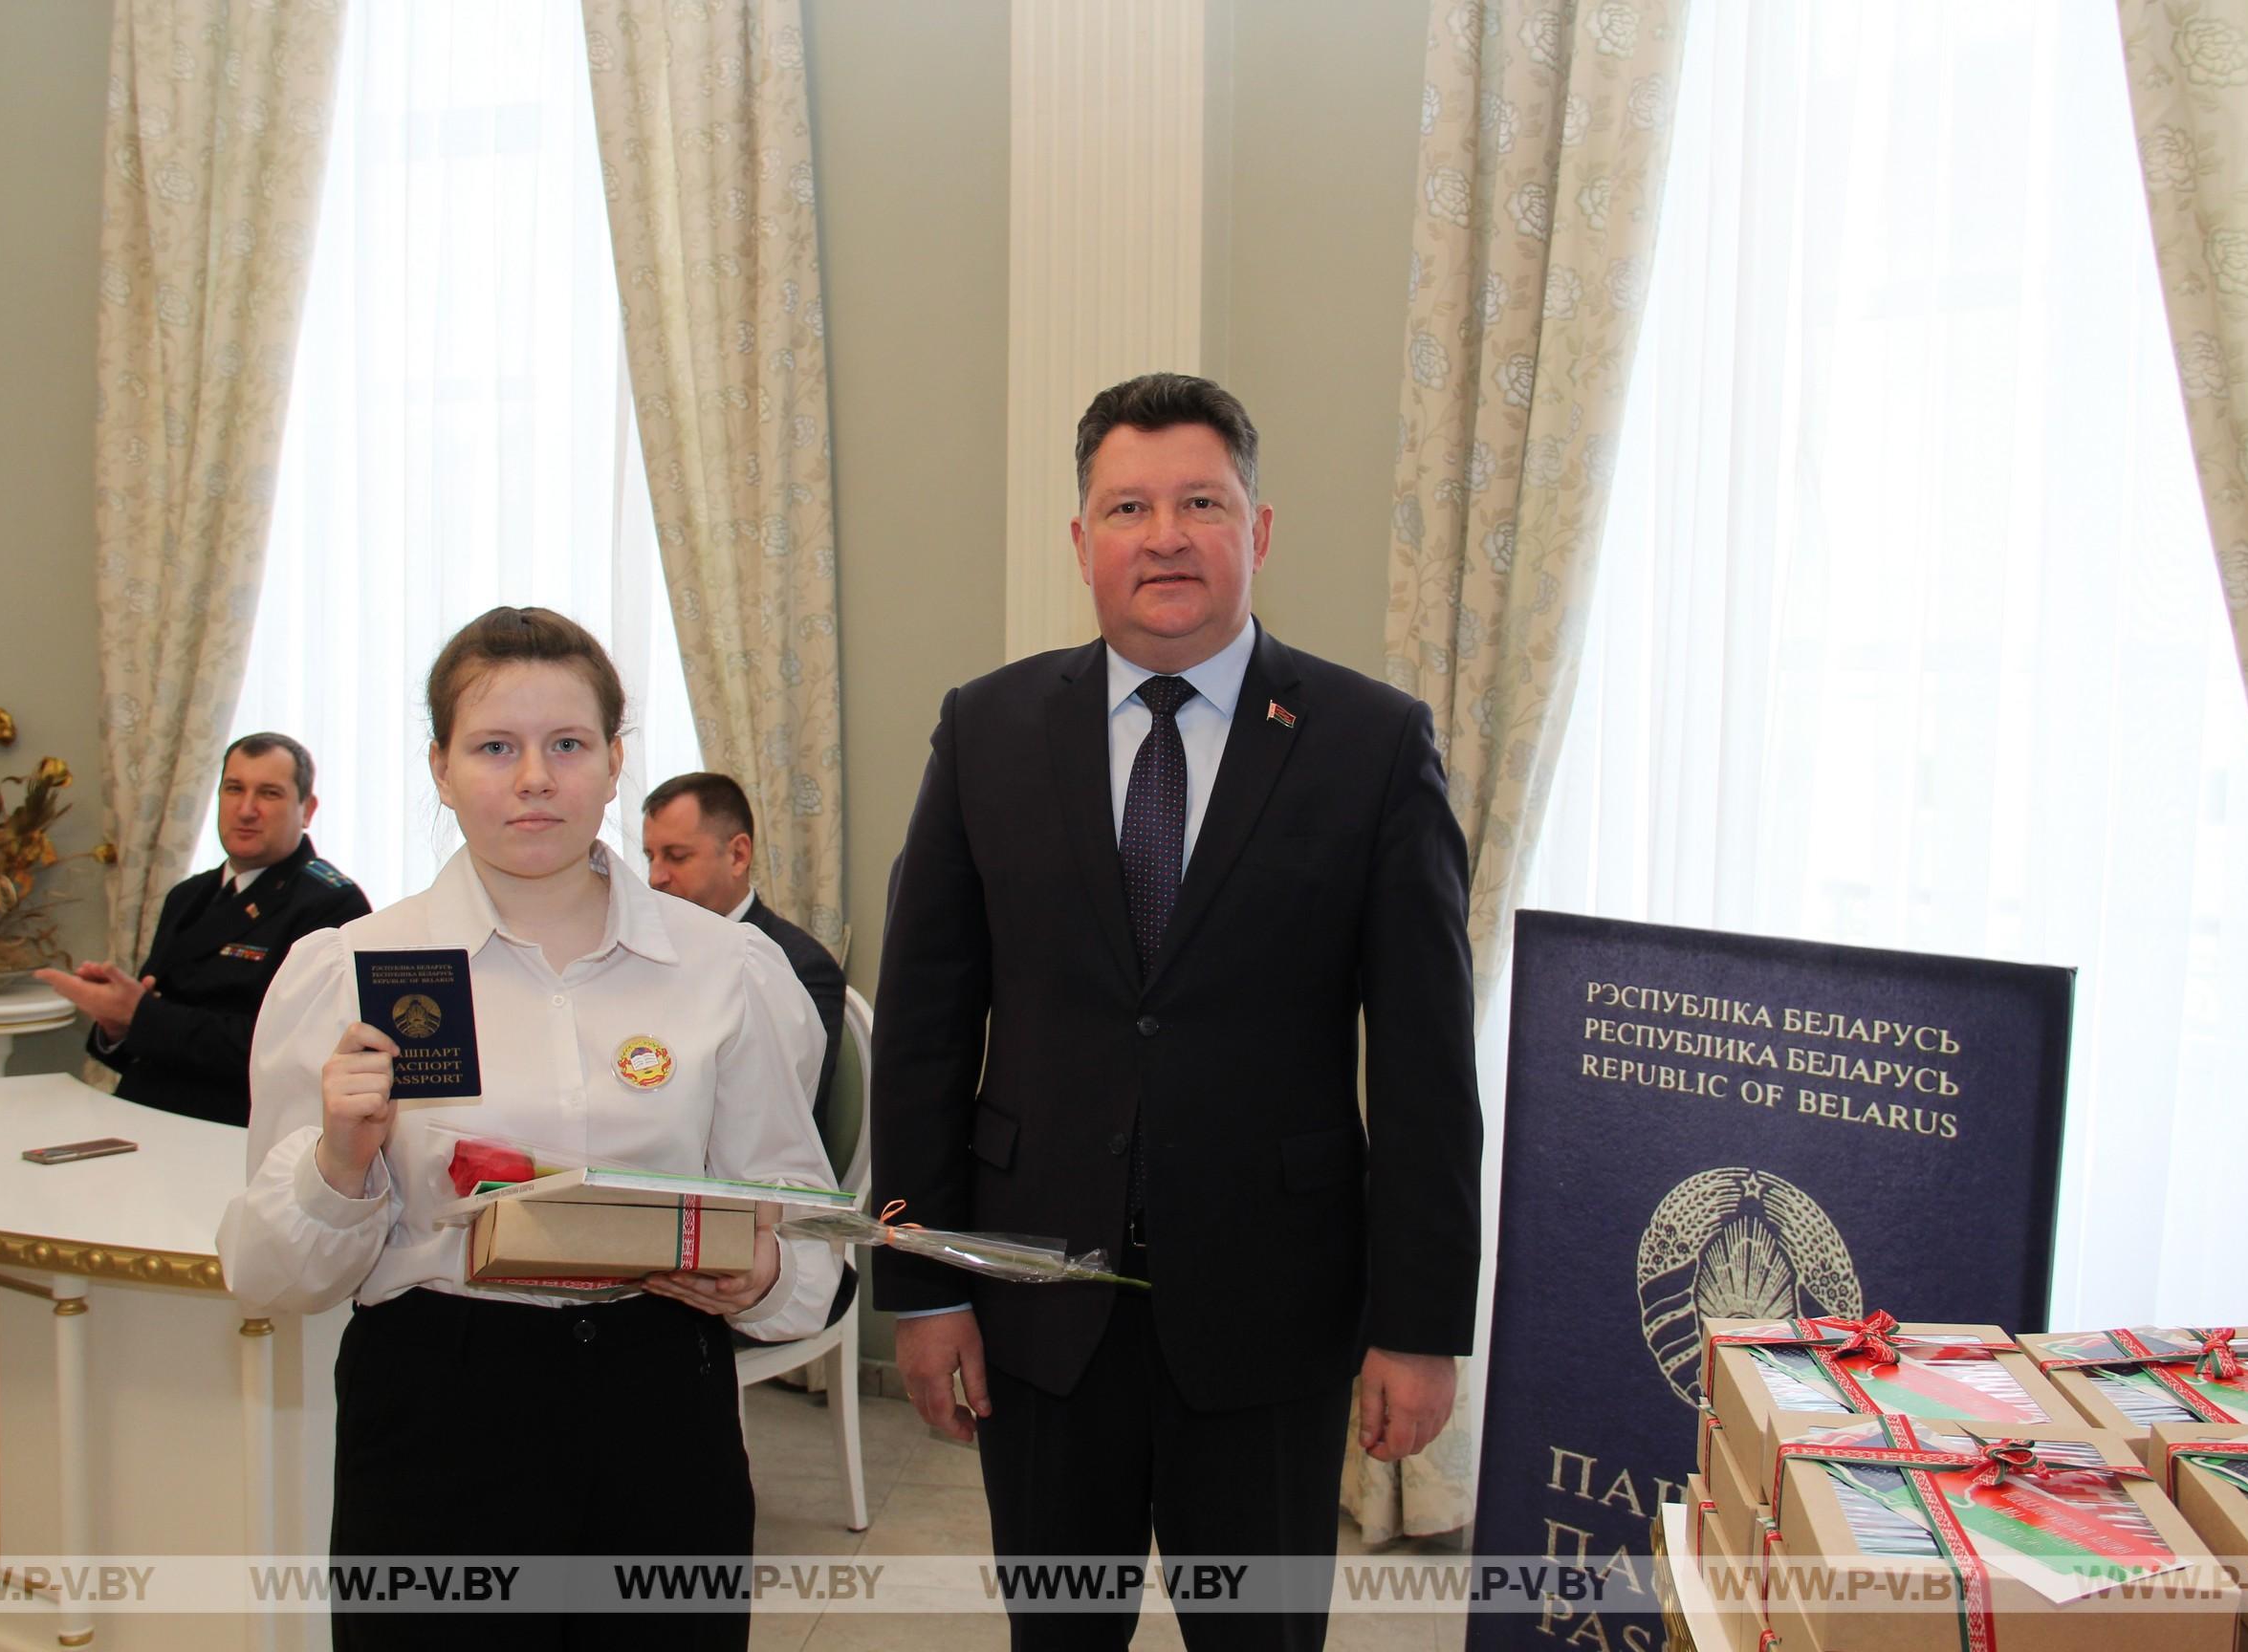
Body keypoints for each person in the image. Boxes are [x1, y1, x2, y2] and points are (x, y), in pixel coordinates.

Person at [871, 373, 1484, 1651]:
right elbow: (928, 1023)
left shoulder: (1371, 744)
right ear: (1080, 541)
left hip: (1275, 1320)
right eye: (1128, 506)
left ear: (1256, 531)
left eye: (1200, 501)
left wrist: (1420, 1328)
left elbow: (1427, 1063)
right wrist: (921, 1290)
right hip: (1038, 1304)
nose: (1164, 535)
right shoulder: (983, 732)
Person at [218, 606, 835, 1651]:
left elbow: (801, 1225)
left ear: (613, 763)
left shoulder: (727, 972)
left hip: (658, 1408)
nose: (535, 778)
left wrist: (763, 1277)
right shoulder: (352, 970)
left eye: (568, 746)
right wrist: (340, 1161)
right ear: (441, 767)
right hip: (435, 1412)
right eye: (496, 748)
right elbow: (271, 1277)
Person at [36, 732, 370, 1126]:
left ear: (307, 809)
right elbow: (147, 1036)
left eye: (268, 793)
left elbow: (289, 1052)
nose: (246, 809)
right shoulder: (189, 895)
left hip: (235, 1128)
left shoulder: (332, 903)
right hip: (145, 1111)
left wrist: (141, 1016)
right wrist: (117, 1025)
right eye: (234, 789)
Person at [641, 772, 846, 1135]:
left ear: (738, 855)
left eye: (676, 856)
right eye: (651, 856)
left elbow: (785, 1117)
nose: (656, 877)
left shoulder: (802, 966)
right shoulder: (647, 953)